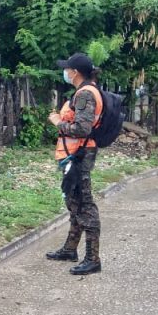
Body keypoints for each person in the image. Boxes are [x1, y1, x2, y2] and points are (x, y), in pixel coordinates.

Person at [47, 53, 103, 275]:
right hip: (74, 154)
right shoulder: (85, 91)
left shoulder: (86, 94)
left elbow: (82, 129)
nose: (65, 72)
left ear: (75, 72)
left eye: (67, 69)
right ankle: (70, 249)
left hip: (80, 155)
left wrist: (57, 122)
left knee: (85, 204)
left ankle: (93, 258)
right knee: (74, 202)